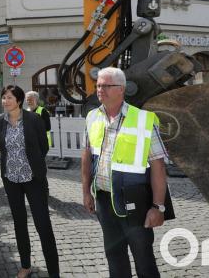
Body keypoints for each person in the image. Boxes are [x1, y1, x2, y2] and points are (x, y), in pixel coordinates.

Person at [81, 67, 169, 278]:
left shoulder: (143, 119)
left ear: (121, 89)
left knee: (143, 258)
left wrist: (158, 206)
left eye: (106, 85)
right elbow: (87, 156)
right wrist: (86, 192)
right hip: (103, 199)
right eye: (98, 85)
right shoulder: (93, 116)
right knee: (114, 255)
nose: (100, 90)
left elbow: (158, 166)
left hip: (134, 202)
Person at [0, 85, 59, 278]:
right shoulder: (0, 121)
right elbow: (2, 147)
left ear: (19, 100)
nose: (5, 101)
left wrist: (31, 164)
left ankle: (53, 272)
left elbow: (43, 147)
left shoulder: (34, 119)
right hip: (11, 179)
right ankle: (25, 265)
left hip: (33, 179)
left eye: (9, 98)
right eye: (3, 98)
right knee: (19, 223)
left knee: (43, 224)